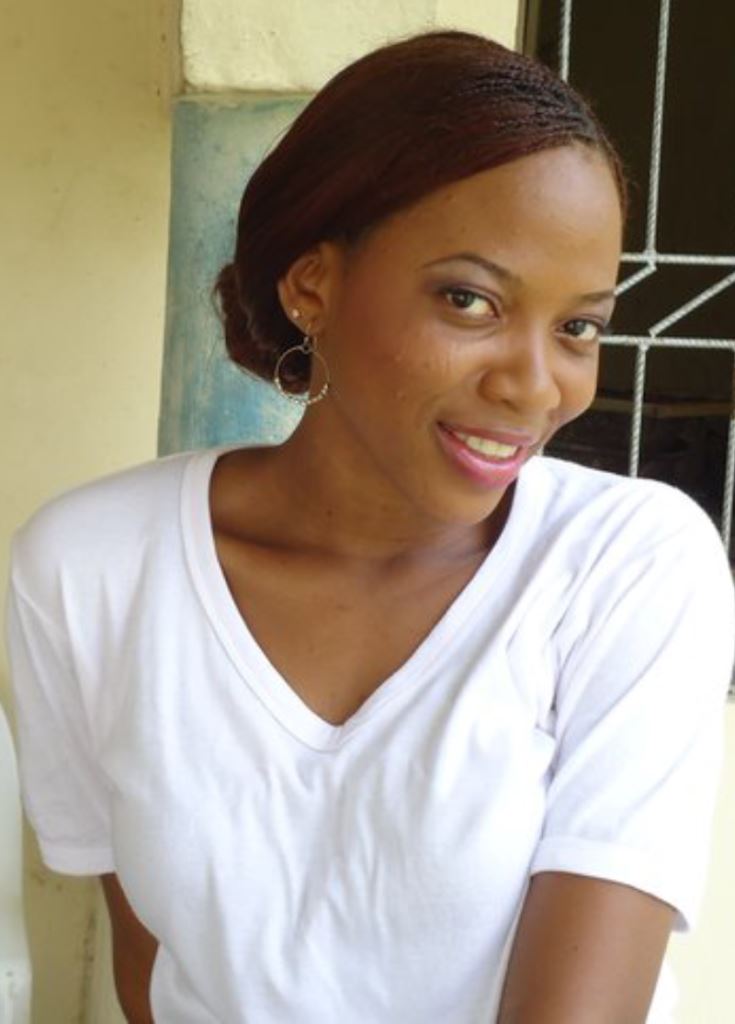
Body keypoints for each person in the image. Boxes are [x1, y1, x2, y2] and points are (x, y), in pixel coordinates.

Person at [5, 29, 734, 1024]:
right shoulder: (91, 567)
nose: (534, 386)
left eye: (578, 327)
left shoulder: (627, 566)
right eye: (470, 300)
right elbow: (158, 974)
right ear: (313, 284)